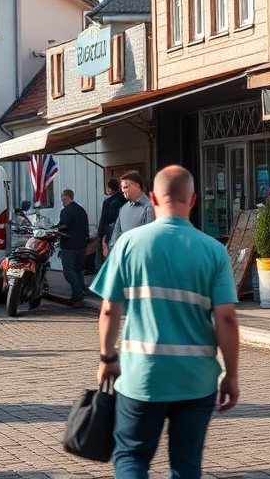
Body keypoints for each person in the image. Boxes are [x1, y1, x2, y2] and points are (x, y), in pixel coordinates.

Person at [92, 165, 240, 479]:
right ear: (194, 199)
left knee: (131, 455)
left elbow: (108, 309)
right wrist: (231, 374)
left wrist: (107, 358)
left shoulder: (129, 245)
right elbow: (226, 318)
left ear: (153, 198)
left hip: (141, 376)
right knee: (186, 465)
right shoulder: (214, 251)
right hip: (196, 379)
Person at [104, 171, 155, 256]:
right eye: (122, 188)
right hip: (125, 260)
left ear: (137, 186)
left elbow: (151, 238)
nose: (123, 191)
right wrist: (112, 253)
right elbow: (116, 235)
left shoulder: (149, 208)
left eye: (126, 187)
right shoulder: (123, 209)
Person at [57, 188, 90, 309]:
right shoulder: (81, 210)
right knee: (78, 270)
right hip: (82, 245)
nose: (62, 201)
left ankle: (78, 295)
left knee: (68, 271)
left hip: (69, 245)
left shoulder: (66, 211)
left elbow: (64, 226)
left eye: (63, 199)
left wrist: (55, 229)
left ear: (67, 197)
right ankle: (79, 294)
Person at [94, 178, 126, 270]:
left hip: (110, 233)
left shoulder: (108, 202)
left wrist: (100, 235)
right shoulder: (126, 199)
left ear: (109, 189)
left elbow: (104, 220)